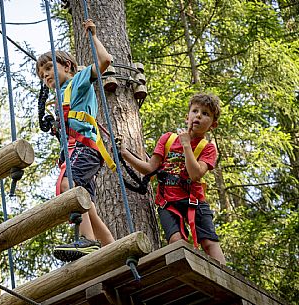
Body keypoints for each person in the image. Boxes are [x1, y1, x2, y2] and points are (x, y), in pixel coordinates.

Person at [36, 19, 115, 262]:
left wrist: (92, 35)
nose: (45, 75)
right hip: (75, 149)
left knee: (67, 186)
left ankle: (88, 242)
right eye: (42, 74)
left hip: (84, 147)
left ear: (68, 66)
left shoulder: (78, 81)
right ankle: (113, 249)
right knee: (85, 202)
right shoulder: (61, 97)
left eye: (49, 68)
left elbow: (104, 61)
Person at [120, 93, 226, 264]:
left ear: (212, 125)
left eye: (205, 113)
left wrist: (186, 145)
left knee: (208, 242)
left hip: (194, 200)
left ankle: (225, 278)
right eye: (195, 111)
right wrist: (125, 154)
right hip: (167, 201)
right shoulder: (168, 139)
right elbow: (149, 168)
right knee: (176, 240)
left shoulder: (207, 148)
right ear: (187, 117)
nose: (198, 115)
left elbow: (195, 174)